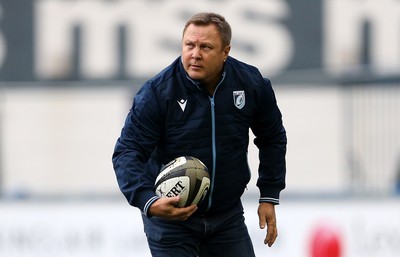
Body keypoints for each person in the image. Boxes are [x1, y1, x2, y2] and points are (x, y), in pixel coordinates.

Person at [112, 12, 287, 257]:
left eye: (206, 47)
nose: (195, 54)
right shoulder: (158, 92)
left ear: (225, 51)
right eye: (189, 45)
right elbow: (127, 152)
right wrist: (148, 201)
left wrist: (269, 194)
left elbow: (272, 137)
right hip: (171, 221)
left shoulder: (251, 84)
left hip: (227, 217)